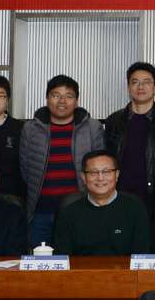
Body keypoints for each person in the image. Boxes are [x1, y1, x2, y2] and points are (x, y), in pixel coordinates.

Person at [19, 75, 105, 246]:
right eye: (56, 95)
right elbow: (26, 169)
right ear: (47, 98)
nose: (62, 101)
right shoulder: (31, 128)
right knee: (40, 260)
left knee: (80, 259)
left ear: (77, 101)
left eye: (69, 96)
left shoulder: (92, 127)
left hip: (81, 211)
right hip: (41, 212)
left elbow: (100, 168)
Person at [105, 62, 155, 249]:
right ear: (128, 87)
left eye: (146, 82)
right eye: (135, 82)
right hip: (120, 202)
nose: (141, 87)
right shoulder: (114, 121)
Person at [53, 151, 151, 255]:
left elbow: (141, 256)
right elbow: (62, 258)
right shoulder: (69, 213)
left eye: (106, 172)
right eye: (93, 172)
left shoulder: (135, 209)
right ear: (83, 177)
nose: (100, 178)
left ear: (117, 175)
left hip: (124, 266)